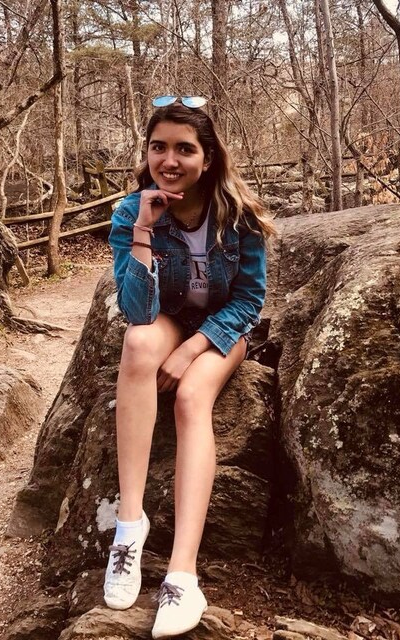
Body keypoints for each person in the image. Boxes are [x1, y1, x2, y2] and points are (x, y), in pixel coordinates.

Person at [104, 95, 275, 639]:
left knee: (189, 397)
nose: (169, 160)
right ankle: (129, 529)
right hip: (169, 316)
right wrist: (144, 230)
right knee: (137, 345)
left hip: (221, 329)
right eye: (159, 147)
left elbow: (249, 301)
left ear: (208, 157)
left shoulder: (239, 215)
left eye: (184, 149)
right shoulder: (132, 211)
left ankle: (183, 572)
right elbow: (137, 311)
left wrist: (191, 350)